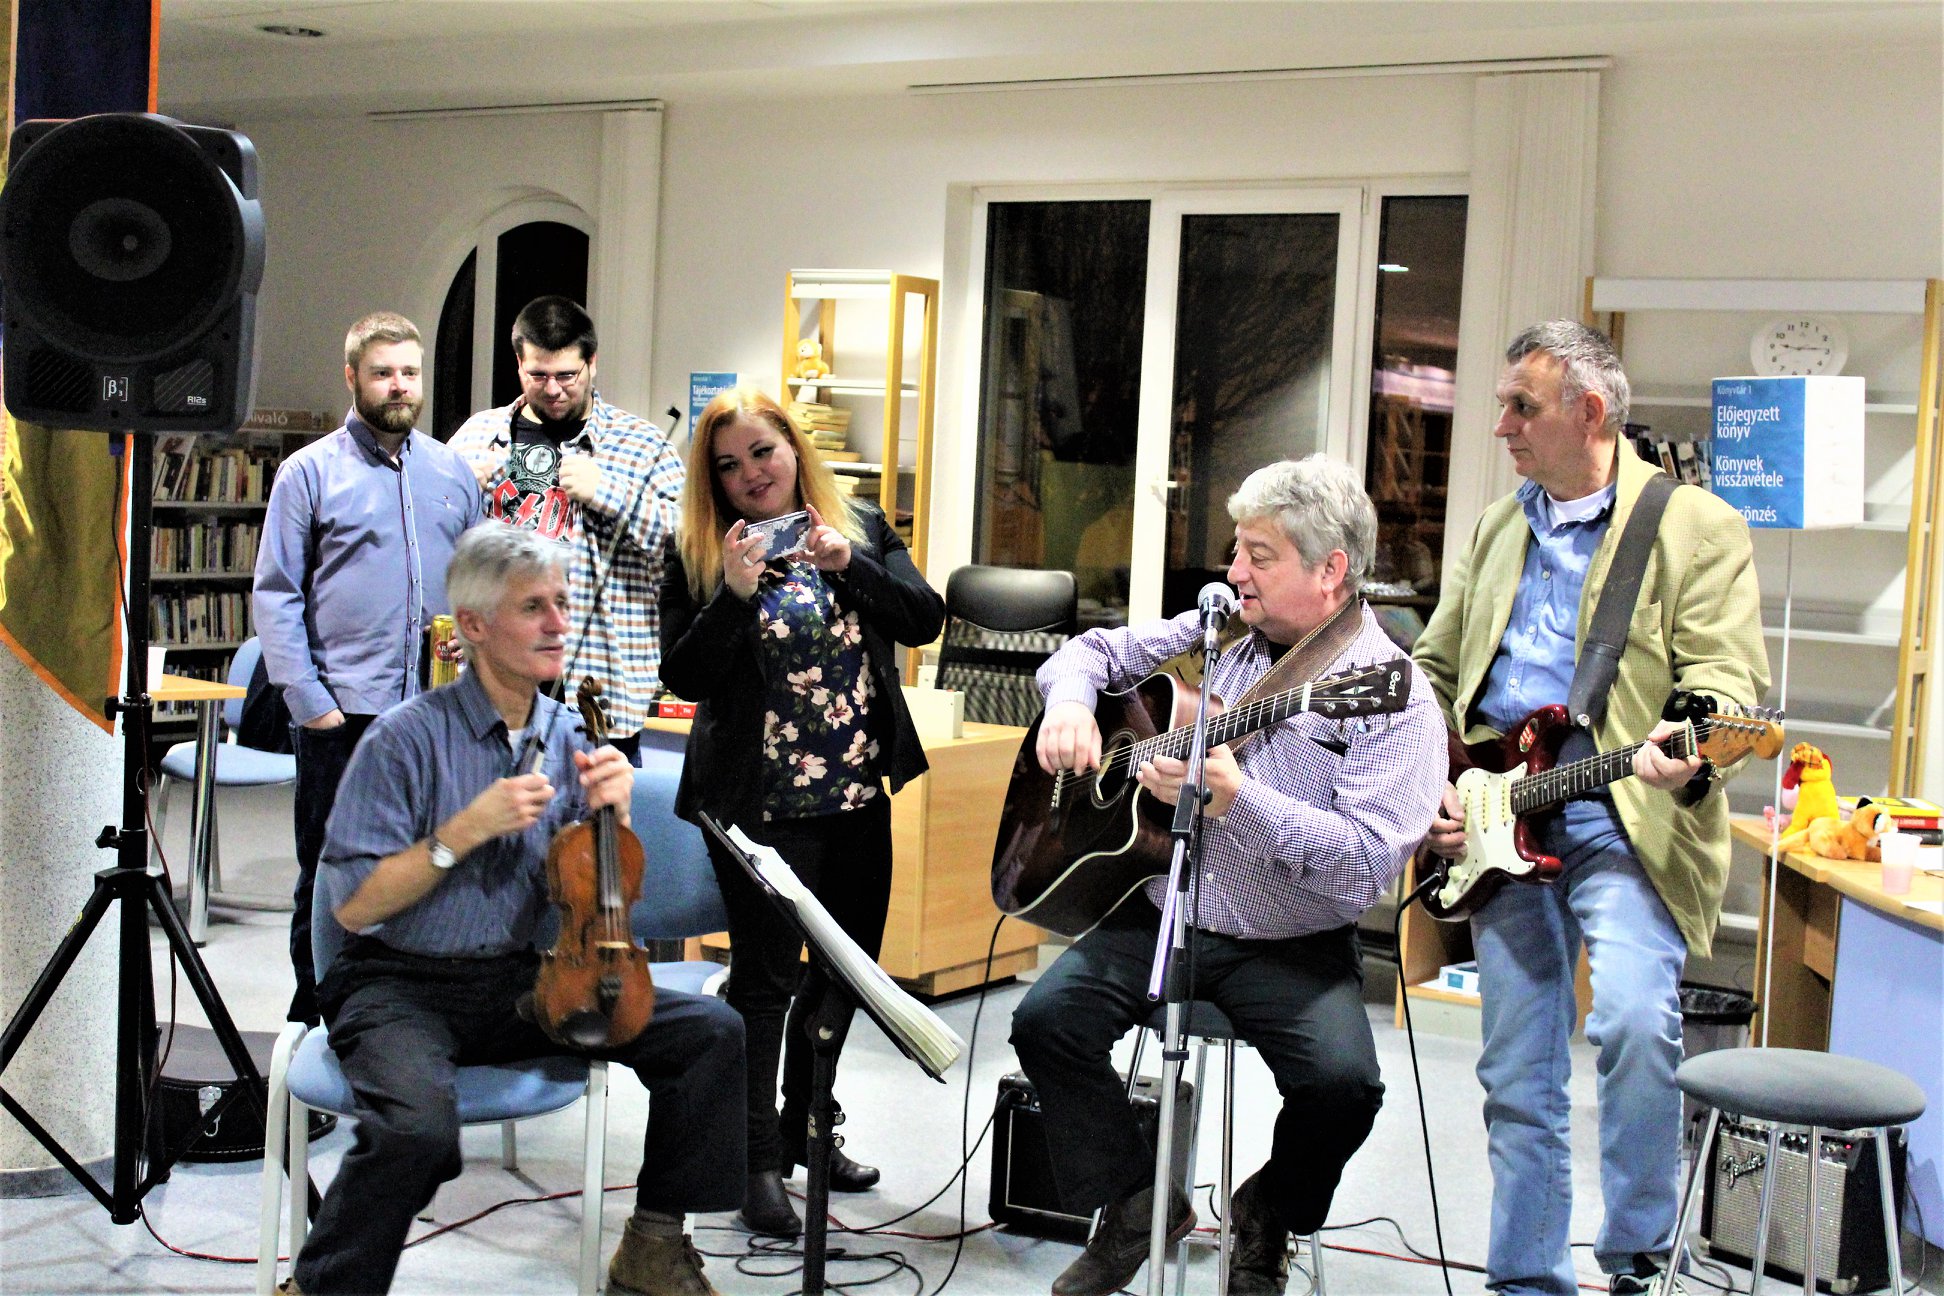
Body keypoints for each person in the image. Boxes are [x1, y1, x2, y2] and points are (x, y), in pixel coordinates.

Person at [1011, 455, 1447, 1296]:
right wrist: (1068, 703)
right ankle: (1138, 1202)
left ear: (1331, 570)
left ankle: (1268, 1212)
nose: (1233, 571)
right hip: (1170, 907)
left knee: (1345, 1088)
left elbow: (1365, 863)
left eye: (1259, 555)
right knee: (1045, 1022)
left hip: (1293, 937)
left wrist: (1239, 802)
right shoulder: (1223, 631)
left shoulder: (1392, 698)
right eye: (1237, 548)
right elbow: (1090, 652)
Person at [280, 524, 744, 1296]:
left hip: (518, 979)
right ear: (473, 625)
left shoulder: (568, 736)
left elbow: (592, 891)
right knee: (416, 1128)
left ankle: (654, 1246)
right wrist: (462, 832)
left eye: (562, 603)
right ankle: (321, 1288)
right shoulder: (402, 740)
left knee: (711, 1034)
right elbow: (354, 908)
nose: (559, 623)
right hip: (396, 984)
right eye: (533, 607)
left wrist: (614, 818)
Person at [1412, 321, 1769, 1296]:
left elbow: (1727, 685)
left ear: (1591, 413)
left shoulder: (1695, 527)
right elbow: (1435, 671)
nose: (1501, 427)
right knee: (1516, 1073)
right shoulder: (1499, 527)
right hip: (1497, 817)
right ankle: (1526, 1279)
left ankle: (1637, 1262)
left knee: (1635, 1028)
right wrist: (1436, 778)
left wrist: (1685, 751)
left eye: (1521, 407)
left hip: (1624, 821)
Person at [658, 387, 945, 1239]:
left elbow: (924, 619)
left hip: (854, 797)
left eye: (763, 452)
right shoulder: (700, 550)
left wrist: (847, 564)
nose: (751, 474)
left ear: (793, 449)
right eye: (729, 465)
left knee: (846, 973)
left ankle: (806, 1131)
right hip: (758, 810)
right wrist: (734, 594)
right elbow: (684, 675)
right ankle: (754, 1166)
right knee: (765, 986)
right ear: (713, 481)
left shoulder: (858, 525)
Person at [254, 311, 482, 1026]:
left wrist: (471, 637)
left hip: (434, 718)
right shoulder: (308, 473)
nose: (399, 386)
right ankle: (315, 1024)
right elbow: (276, 592)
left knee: (428, 870)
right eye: (383, 373)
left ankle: (404, 1023)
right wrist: (310, 703)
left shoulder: (452, 472)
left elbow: (478, 581)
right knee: (331, 878)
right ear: (352, 376)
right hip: (343, 715)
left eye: (410, 372)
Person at [448, 295, 683, 764]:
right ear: (519, 365)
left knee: (589, 812)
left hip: (597, 688)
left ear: (592, 363)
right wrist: (454, 493)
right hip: (490, 679)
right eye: (538, 376)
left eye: (567, 375)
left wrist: (609, 492)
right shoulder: (477, 435)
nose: (553, 389)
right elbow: (432, 546)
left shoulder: (643, 444)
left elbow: (690, 546)